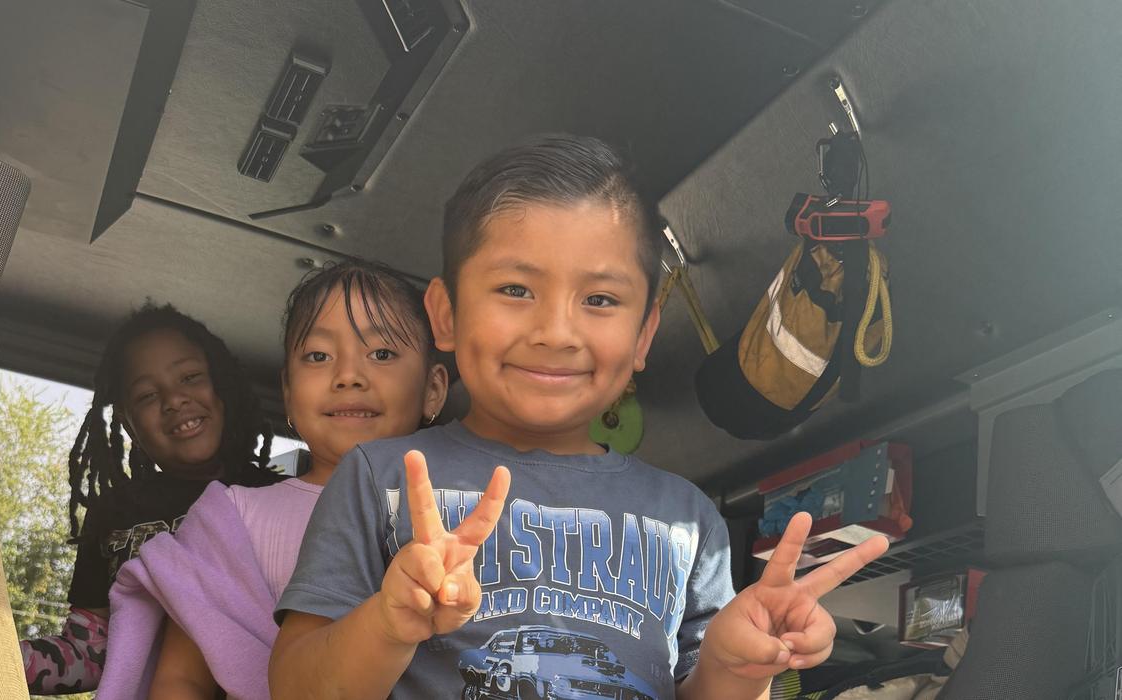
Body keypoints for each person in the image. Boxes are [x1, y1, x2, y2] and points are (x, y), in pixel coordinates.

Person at [270, 135, 889, 699]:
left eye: (599, 299)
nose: (556, 332)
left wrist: (736, 669)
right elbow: (294, 687)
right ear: (447, 315)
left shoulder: (688, 517)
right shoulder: (381, 478)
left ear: (644, 334)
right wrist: (388, 623)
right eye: (516, 289)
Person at [99, 259, 449, 699]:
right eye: (319, 356)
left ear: (433, 388)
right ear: (287, 391)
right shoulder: (234, 517)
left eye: (381, 354)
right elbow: (181, 681)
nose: (348, 377)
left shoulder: (462, 515)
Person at [21, 303, 281, 694]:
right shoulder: (114, 512)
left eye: (191, 377)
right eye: (146, 395)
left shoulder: (278, 498)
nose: (174, 400)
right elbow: (91, 654)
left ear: (223, 385)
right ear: (127, 421)